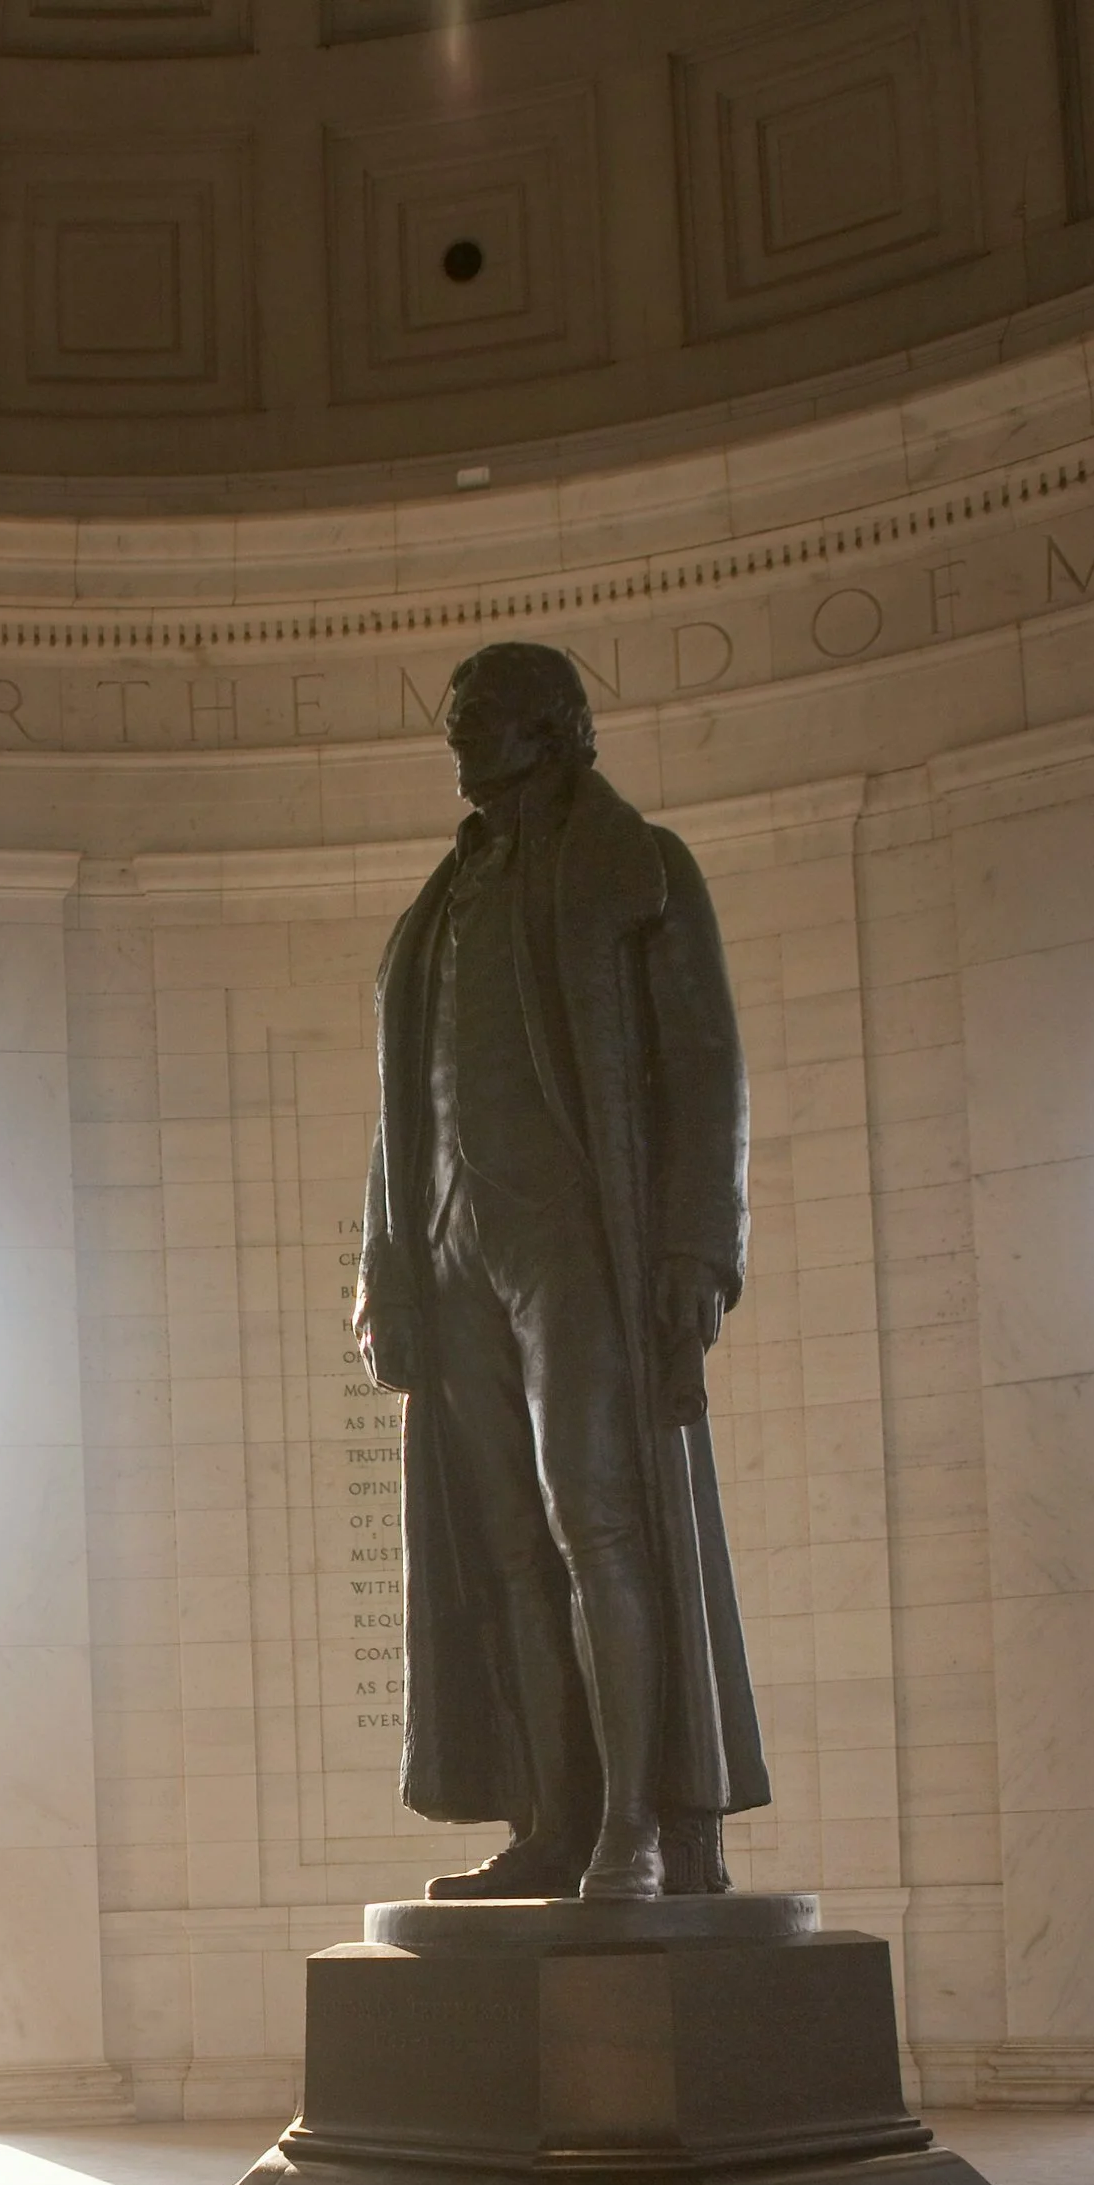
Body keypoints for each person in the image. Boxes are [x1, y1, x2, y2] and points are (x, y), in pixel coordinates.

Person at [356, 640, 768, 1899]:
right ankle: (551, 1820)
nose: (460, 737)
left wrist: (696, 1244)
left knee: (599, 1519)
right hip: (451, 1242)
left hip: (576, 1240)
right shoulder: (437, 907)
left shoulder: (634, 867)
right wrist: (385, 1270)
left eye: (483, 717)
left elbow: (704, 1065)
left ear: (555, 727)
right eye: (455, 718)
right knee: (508, 1550)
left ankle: (635, 1826)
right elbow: (395, 1114)